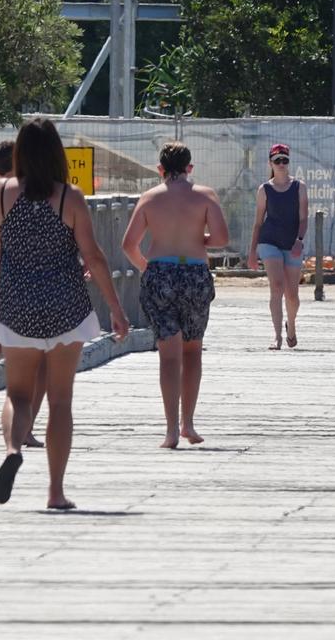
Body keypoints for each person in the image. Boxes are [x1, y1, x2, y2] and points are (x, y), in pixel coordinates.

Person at [0, 118, 130, 510]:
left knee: (17, 394)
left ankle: (14, 448)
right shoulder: (69, 198)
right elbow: (94, 257)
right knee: (61, 401)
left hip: (18, 308)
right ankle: (55, 492)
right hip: (65, 306)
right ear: (56, 154)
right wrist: (116, 310)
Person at [122, 142, 230, 449]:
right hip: (194, 274)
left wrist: (148, 268)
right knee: (192, 351)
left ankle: (170, 430)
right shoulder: (205, 196)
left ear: (160, 169)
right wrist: (198, 237)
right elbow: (222, 238)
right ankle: (188, 424)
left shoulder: (150, 198)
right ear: (189, 168)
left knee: (168, 356)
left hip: (160, 274)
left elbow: (128, 244)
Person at [0, 141, 47, 451]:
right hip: (45, 287)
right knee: (41, 365)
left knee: (18, 375)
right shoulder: (45, 189)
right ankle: (27, 430)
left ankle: (12, 441)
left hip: (11, 287)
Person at [246, 143, 309, 350]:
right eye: (277, 160)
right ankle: (277, 336)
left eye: (285, 160)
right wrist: (252, 252)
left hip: (292, 242)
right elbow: (257, 222)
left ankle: (291, 326)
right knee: (276, 287)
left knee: (292, 293)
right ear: (270, 163)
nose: (281, 164)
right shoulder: (264, 190)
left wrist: (299, 240)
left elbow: (303, 218)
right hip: (269, 240)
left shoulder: (299, 187)